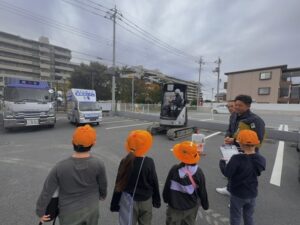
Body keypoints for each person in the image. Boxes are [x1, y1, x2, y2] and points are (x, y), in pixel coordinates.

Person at [36, 125, 107, 225]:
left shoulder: (60, 167)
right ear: (93, 143)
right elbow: (103, 184)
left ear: (72, 142)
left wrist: (41, 210)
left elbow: (47, 191)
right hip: (92, 208)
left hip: (68, 212)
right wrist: (103, 195)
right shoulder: (99, 164)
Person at [217, 95, 265, 196]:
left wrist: (234, 139)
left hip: (248, 152)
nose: (236, 107)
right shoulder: (234, 115)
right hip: (233, 149)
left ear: (248, 106)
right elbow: (230, 129)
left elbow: (258, 139)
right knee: (232, 170)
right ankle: (229, 189)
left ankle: (240, 197)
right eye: (236, 105)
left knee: (245, 175)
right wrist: (227, 136)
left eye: (240, 105)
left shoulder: (255, 120)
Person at [110, 130, 161, 225]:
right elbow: (154, 182)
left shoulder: (125, 161)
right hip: (145, 201)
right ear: (146, 146)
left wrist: (115, 203)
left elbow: (119, 184)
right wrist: (156, 200)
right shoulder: (149, 162)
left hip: (128, 201)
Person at [219, 130, 266, 225]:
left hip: (237, 193)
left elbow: (227, 173)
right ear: (256, 143)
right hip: (252, 193)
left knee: (235, 215)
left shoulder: (236, 159)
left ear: (240, 144)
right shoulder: (261, 159)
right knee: (249, 215)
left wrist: (222, 163)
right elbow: (258, 170)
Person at [163, 141, 209, 225]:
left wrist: (166, 198)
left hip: (174, 206)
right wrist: (205, 205)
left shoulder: (174, 169)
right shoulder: (198, 173)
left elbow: (167, 186)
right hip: (190, 207)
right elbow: (202, 191)